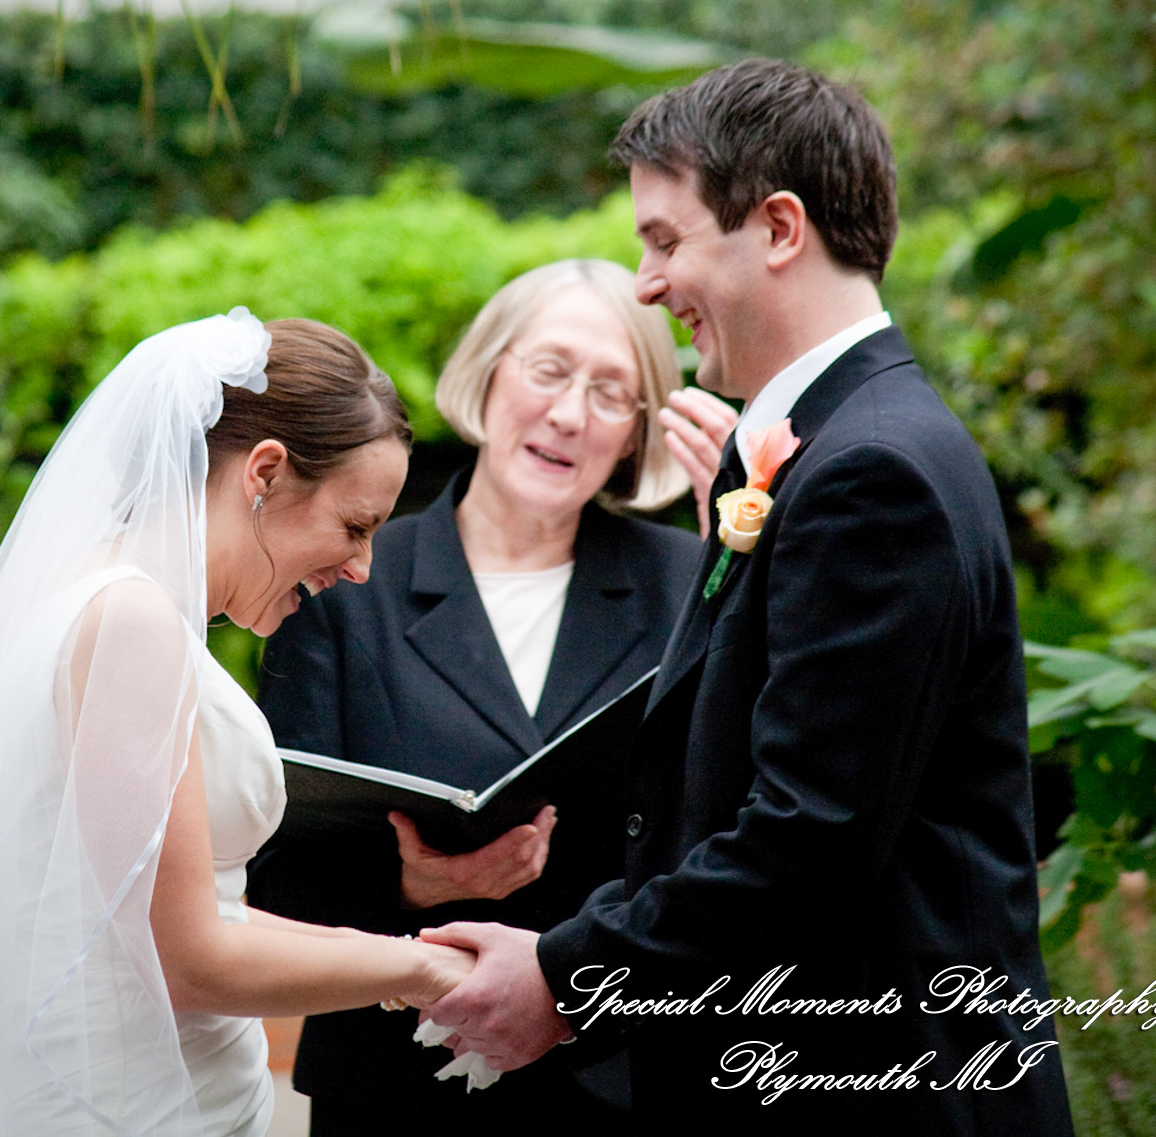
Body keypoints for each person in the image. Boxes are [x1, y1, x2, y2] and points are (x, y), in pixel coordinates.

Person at [422, 59, 1077, 1134]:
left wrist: (564, 977)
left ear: (778, 229)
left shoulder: (874, 473)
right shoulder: (832, 446)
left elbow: (807, 837)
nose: (645, 282)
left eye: (665, 240)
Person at [0, 311, 473, 1137]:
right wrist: (425, 969)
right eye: (355, 525)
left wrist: (400, 957)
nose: (362, 568)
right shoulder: (132, 622)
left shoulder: (103, 599)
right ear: (264, 471)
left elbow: (161, 910)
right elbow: (191, 958)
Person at [246, 259, 715, 1134]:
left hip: (619, 1080)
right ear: (489, 371)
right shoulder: (345, 581)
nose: (572, 413)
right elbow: (269, 881)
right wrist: (414, 887)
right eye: (550, 369)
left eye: (613, 392)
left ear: (637, 430)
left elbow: (729, 841)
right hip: (393, 1084)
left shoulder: (690, 583)